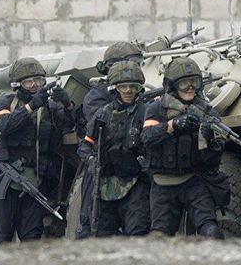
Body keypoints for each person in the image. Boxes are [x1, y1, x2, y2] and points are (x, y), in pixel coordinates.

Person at [0, 57, 73, 245]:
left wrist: (67, 105)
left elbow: (68, 129)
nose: (35, 85)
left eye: (39, 81)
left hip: (35, 182)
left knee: (31, 239)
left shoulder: (50, 109)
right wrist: (30, 107)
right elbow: (4, 125)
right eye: (29, 82)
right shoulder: (5, 103)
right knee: (1, 239)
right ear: (18, 84)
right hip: (7, 179)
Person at [141, 57, 226, 239]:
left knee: (211, 231)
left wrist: (207, 137)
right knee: (159, 237)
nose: (190, 87)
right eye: (184, 83)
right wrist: (173, 125)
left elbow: (214, 157)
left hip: (193, 181)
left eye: (194, 82)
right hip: (163, 184)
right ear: (172, 86)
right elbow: (147, 137)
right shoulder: (157, 108)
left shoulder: (206, 110)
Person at [76, 41, 144, 239]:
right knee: (92, 228)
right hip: (102, 172)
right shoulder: (97, 99)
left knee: (138, 229)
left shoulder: (141, 104)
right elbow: (89, 141)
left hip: (131, 175)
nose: (129, 90)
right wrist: (91, 161)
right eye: (131, 62)